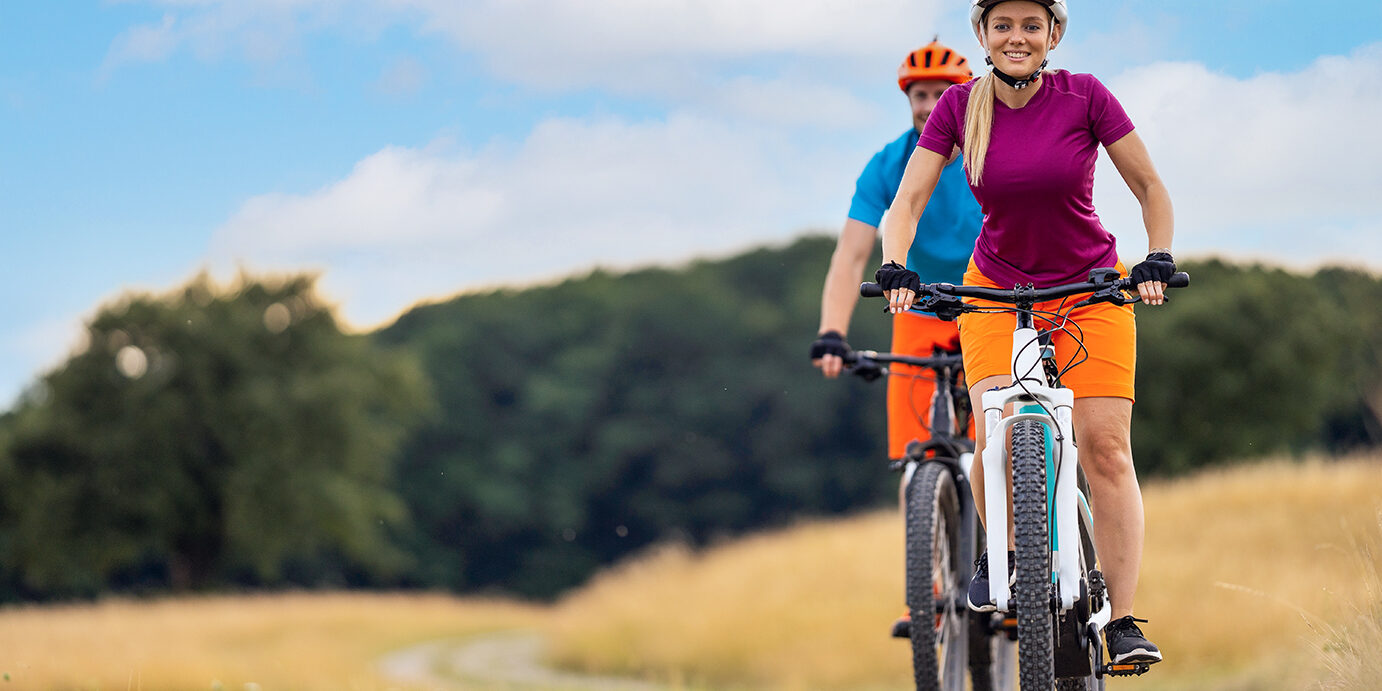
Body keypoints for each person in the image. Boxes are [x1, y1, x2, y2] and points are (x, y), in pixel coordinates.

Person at [874, 0, 1175, 665]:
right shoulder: (960, 109)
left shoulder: (1086, 97)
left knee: (1106, 448)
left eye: (1031, 25)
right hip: (995, 291)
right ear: (982, 34)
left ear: (1053, 34)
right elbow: (909, 202)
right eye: (1002, 25)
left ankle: (1122, 619)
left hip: (1089, 287)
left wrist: (1157, 253)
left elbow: (1149, 185)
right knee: (992, 427)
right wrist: (895, 263)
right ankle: (1006, 553)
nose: (1017, 37)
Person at [808, 38, 983, 638]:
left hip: (990, 301)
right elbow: (851, 255)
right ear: (908, 102)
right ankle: (926, 593)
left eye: (942, 95)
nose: (931, 104)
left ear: (964, 96)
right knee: (916, 458)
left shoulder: (990, 152)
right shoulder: (888, 164)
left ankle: (1014, 572)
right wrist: (833, 332)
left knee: (1002, 444)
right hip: (917, 309)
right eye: (920, 95)